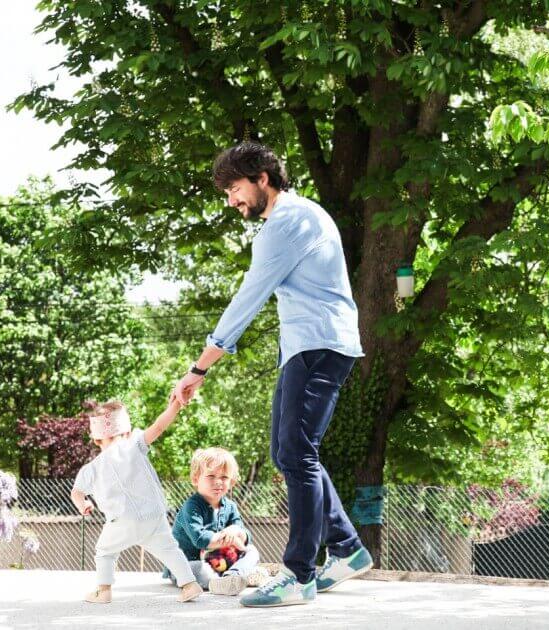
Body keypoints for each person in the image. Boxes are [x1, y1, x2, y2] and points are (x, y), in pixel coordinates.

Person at [171, 142, 372, 608]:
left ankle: (299, 574)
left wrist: (200, 367)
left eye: (235, 189)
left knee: (297, 454)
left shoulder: (287, 223)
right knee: (290, 453)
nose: (231, 201)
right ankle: (346, 548)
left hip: (318, 345)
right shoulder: (298, 216)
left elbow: (248, 298)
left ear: (262, 178)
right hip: (310, 345)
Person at [71, 399, 202, 604]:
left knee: (105, 552)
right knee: (170, 549)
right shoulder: (134, 444)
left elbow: (76, 492)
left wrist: (83, 504)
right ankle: (189, 584)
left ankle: (103, 591)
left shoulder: (92, 468)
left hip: (121, 521)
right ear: (127, 431)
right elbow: (158, 427)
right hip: (153, 515)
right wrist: (175, 405)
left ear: (96, 440)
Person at [167, 447, 267, 595]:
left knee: (252, 551)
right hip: (189, 562)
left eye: (224, 477)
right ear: (196, 479)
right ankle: (235, 578)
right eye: (211, 476)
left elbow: (244, 536)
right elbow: (200, 539)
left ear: (231, 482)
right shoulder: (191, 507)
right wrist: (227, 537)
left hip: (221, 561)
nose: (218, 481)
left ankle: (233, 575)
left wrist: (236, 531)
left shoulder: (230, 506)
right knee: (197, 569)